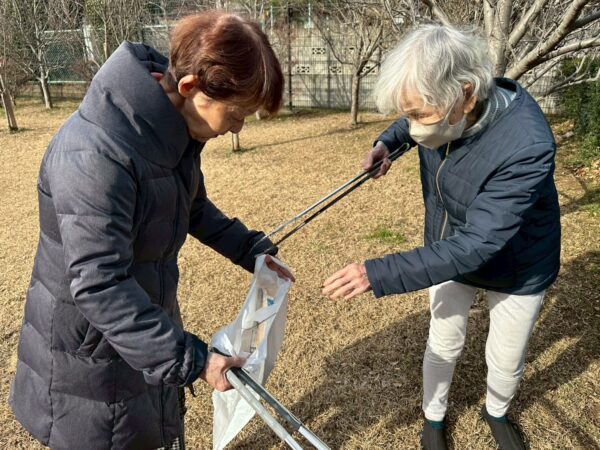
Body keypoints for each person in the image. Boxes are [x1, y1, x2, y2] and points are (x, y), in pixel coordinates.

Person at [9, 11, 294, 450]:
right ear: (190, 87)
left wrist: (250, 249)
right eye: (236, 113)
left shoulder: (171, 131)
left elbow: (191, 206)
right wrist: (193, 360)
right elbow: (100, 284)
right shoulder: (95, 153)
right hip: (91, 358)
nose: (238, 126)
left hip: (143, 331)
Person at [322, 25, 560, 450]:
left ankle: (497, 411)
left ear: (466, 95)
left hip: (518, 264)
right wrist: (388, 143)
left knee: (505, 357)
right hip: (447, 246)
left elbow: (478, 243)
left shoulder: (527, 145)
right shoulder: (444, 110)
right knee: (443, 343)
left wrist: (377, 273)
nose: (415, 127)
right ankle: (433, 419)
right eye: (409, 115)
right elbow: (412, 119)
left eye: (420, 115)